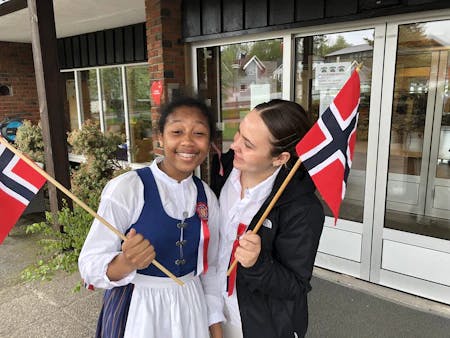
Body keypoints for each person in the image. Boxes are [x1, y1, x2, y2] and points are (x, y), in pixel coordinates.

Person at [79, 97, 224, 338]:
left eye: (199, 133)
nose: (187, 141)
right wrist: (126, 261)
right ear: (160, 137)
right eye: (177, 131)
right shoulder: (127, 189)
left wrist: (215, 327)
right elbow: (88, 266)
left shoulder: (207, 197)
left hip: (191, 305)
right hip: (139, 308)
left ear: (209, 143)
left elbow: (210, 268)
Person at [211, 99, 325, 338]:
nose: (234, 146)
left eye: (249, 145)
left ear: (281, 158)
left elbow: (296, 285)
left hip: (258, 324)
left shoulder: (301, 208)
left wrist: (257, 264)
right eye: (239, 133)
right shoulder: (222, 170)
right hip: (211, 310)